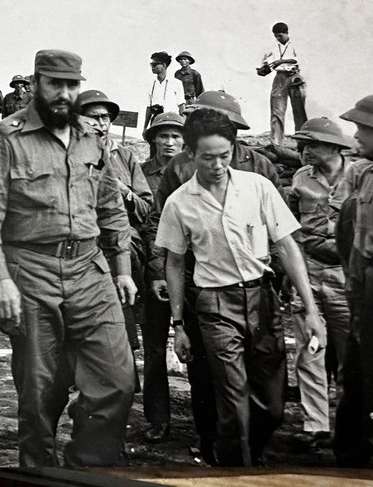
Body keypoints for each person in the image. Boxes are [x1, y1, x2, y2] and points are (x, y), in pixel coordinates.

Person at [0, 49, 136, 467]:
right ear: (37, 83)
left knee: (118, 380)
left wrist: (124, 269)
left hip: (90, 270)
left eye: (71, 85)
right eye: (54, 84)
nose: (63, 94)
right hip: (31, 272)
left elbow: (111, 206)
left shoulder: (90, 136)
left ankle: (85, 468)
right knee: (39, 392)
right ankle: (40, 471)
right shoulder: (6, 136)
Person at [155, 108, 325, 467]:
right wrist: (179, 326)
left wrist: (311, 311)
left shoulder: (258, 187)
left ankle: (239, 455)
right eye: (207, 157)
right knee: (233, 401)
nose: (217, 165)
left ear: (234, 149)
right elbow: (173, 262)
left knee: (272, 405)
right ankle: (235, 468)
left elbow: (288, 246)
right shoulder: (180, 203)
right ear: (190, 154)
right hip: (214, 304)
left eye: (224, 155)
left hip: (262, 300)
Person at [144, 90, 283, 464]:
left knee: (261, 377)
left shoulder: (261, 168)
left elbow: (280, 226)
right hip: (198, 284)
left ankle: (245, 445)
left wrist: (276, 278)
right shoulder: (182, 168)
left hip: (254, 285)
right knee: (206, 374)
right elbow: (160, 221)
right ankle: (212, 446)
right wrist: (160, 271)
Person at [78, 88, 152, 397]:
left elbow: (147, 208)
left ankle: (123, 382)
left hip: (118, 246)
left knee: (119, 318)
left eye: (105, 117)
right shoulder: (67, 155)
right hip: (81, 246)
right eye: (92, 117)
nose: (100, 123)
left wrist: (123, 191)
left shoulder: (124, 156)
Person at [288, 117, 354, 451]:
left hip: (346, 277)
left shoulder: (360, 178)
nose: (305, 150)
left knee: (349, 356)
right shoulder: (301, 178)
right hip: (310, 274)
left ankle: (348, 424)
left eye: (312, 144)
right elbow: (294, 230)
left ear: (332, 146)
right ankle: (315, 426)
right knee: (309, 351)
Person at [138, 111, 184, 443]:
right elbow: (145, 226)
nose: (169, 142)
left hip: (188, 273)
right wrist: (156, 272)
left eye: (176, 137)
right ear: (153, 139)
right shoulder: (140, 175)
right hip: (153, 270)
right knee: (154, 347)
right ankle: (158, 418)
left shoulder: (191, 172)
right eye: (163, 136)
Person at [332, 95, 373, 467]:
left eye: (363, 128)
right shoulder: (365, 175)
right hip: (363, 288)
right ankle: (351, 450)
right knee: (359, 370)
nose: (356, 134)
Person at [260, 22, 307, 145]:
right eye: (276, 36)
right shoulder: (273, 46)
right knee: (277, 110)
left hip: (294, 77)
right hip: (279, 78)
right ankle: (276, 142)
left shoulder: (296, 44)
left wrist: (280, 61)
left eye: (280, 36)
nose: (278, 38)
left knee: (299, 111)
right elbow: (263, 59)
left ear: (286, 33)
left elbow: (299, 59)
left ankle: (302, 143)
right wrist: (263, 68)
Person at [144, 51, 184, 132]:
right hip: (155, 121)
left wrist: (183, 125)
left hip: (171, 121)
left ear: (164, 65)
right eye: (151, 64)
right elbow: (148, 107)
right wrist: (145, 128)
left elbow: (181, 106)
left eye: (154, 64)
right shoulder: (151, 84)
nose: (152, 66)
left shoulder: (176, 83)